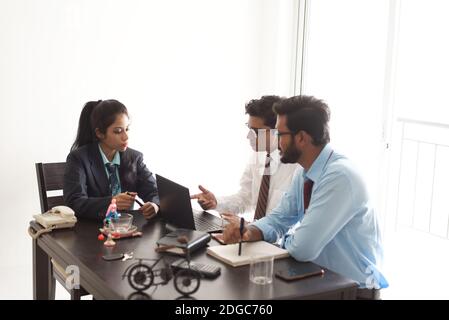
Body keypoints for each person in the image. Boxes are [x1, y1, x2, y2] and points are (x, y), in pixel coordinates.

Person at [222, 95, 388, 299]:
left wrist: (285, 238)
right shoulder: (306, 171)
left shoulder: (340, 177)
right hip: (321, 281)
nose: (277, 141)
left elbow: (303, 248)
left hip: (353, 291)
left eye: (280, 134)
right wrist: (249, 231)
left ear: (301, 138)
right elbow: (279, 218)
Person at [191, 95, 298, 223]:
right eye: (249, 128)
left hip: (278, 241)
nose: (249, 136)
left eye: (256, 131)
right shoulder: (258, 156)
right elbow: (245, 198)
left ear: (278, 130)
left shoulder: (298, 167)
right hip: (255, 235)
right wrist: (216, 203)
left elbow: (294, 223)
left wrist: (251, 228)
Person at [63, 99, 159, 220]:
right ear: (100, 133)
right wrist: (111, 202)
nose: (126, 137)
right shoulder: (79, 158)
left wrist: (155, 205)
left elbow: (154, 192)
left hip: (126, 229)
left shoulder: (135, 158)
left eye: (127, 129)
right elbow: (74, 202)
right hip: (91, 230)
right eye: (118, 131)